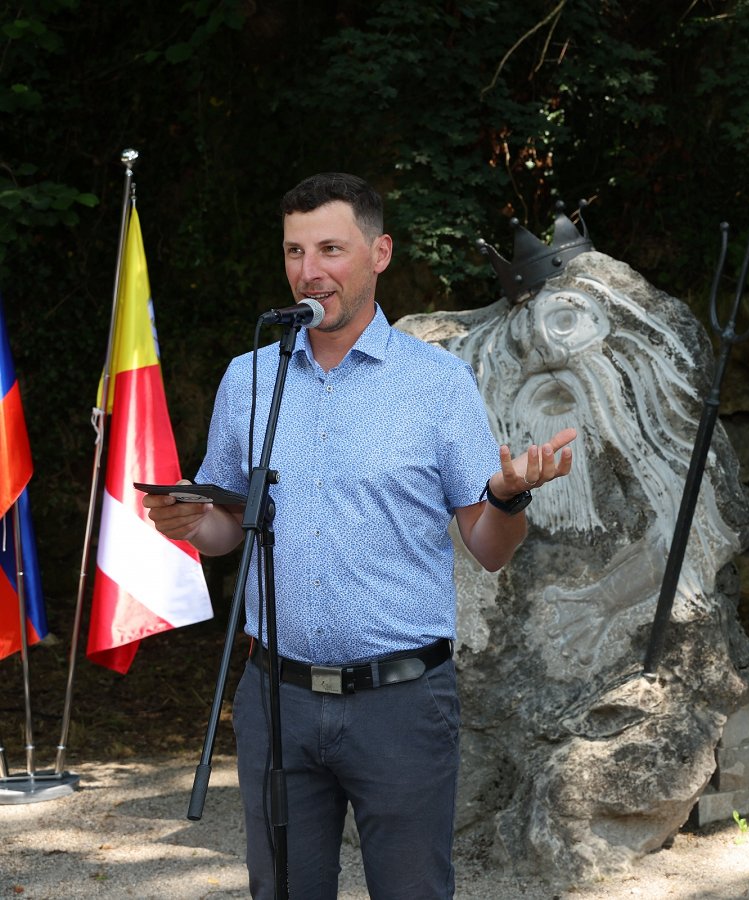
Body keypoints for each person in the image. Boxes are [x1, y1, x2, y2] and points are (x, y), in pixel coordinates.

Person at [145, 172, 575, 899]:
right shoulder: (249, 378)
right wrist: (191, 521)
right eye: (293, 251)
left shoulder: (438, 384)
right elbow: (226, 529)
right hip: (274, 696)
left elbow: (490, 548)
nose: (308, 271)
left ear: (379, 253)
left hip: (401, 704)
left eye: (330, 249)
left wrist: (506, 496)